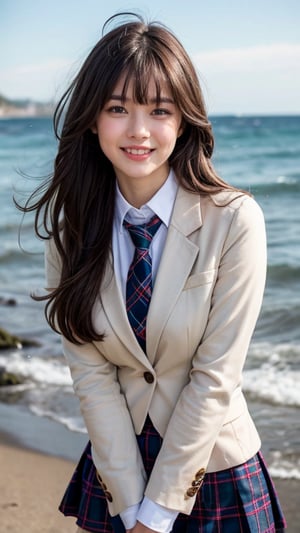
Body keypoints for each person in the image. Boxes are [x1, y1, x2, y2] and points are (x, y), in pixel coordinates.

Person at [23, 12, 286, 533]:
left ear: (184, 119)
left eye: (159, 110)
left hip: (214, 469)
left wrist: (159, 512)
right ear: (93, 118)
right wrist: (130, 504)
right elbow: (92, 378)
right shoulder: (70, 235)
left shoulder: (235, 221)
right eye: (117, 108)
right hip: (116, 472)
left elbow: (215, 378)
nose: (138, 131)